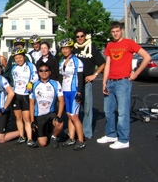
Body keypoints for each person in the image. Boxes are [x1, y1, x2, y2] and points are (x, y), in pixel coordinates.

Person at [97, 21, 151, 149]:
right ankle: (111, 134)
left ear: (121, 31)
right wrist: (104, 81)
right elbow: (108, 64)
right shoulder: (110, 45)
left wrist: (136, 73)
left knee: (122, 112)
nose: (115, 34)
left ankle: (123, 139)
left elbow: (147, 57)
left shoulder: (129, 43)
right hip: (111, 82)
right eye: (113, 32)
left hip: (123, 82)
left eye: (117, 31)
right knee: (108, 111)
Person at [73, 28, 105, 140]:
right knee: (74, 109)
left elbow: (102, 63)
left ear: (85, 36)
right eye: (77, 36)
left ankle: (86, 132)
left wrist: (94, 75)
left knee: (87, 109)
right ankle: (74, 132)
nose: (80, 38)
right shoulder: (73, 48)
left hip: (86, 83)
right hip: (74, 84)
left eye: (82, 36)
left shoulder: (91, 48)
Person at [58, 38, 86, 150]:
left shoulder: (77, 61)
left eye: (67, 48)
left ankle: (81, 141)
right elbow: (60, 79)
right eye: (63, 48)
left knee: (75, 117)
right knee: (69, 116)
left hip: (74, 91)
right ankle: (71, 138)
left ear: (71, 48)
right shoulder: (61, 62)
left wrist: (79, 92)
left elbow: (80, 78)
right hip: (65, 91)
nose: (64, 50)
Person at [29, 63, 64, 148]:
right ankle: (46, 131)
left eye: (46, 70)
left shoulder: (56, 83)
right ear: (38, 72)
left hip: (51, 113)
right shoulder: (34, 85)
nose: (43, 72)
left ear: (50, 72)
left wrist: (58, 116)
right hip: (39, 115)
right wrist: (32, 120)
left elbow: (61, 101)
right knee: (42, 143)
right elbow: (31, 103)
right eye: (41, 71)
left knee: (60, 125)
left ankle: (54, 137)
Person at [10, 47, 38, 147]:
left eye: (20, 57)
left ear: (24, 57)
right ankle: (22, 136)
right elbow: (14, 81)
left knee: (27, 118)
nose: (18, 60)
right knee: (18, 118)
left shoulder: (31, 66)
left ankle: (30, 139)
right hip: (17, 95)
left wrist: (31, 83)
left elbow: (36, 77)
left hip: (26, 95)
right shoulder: (14, 68)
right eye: (16, 58)